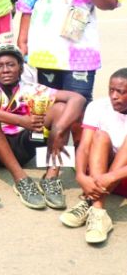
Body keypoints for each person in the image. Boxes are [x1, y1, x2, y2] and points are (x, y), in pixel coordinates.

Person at [0, 44, 86, 210]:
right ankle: (21, 180)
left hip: (25, 145)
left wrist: (59, 128)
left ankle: (51, 177)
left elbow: (77, 98)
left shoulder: (32, 88)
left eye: (11, 65)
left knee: (61, 110)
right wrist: (20, 120)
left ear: (21, 68)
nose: (6, 70)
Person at [60, 69, 127, 244]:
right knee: (99, 136)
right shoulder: (98, 106)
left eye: (120, 92)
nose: (114, 96)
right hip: (100, 175)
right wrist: (81, 175)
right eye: (111, 90)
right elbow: (84, 147)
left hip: (119, 177)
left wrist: (110, 177)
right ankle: (98, 213)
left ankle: (90, 201)